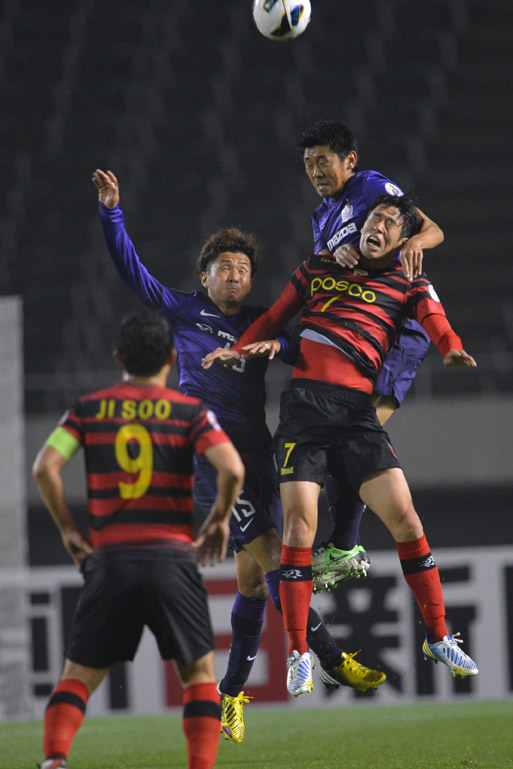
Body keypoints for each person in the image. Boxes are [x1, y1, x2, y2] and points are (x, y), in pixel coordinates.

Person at [92, 168, 386, 744]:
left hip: (258, 452)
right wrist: (111, 214)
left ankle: (229, 695)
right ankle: (327, 655)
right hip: (209, 456)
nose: (236, 275)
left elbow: (306, 347)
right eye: (225, 267)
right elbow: (133, 273)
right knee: (276, 557)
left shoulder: (259, 322)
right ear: (204, 276)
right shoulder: (184, 312)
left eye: (244, 269)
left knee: (253, 583)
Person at [202, 194, 480, 696]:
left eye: (390, 223)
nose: (379, 225)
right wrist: (237, 348)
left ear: (402, 240)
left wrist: (452, 347)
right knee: (298, 528)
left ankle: (438, 636)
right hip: (304, 410)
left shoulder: (409, 281)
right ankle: (299, 653)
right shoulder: (320, 266)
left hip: (356, 415)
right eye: (375, 217)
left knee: (407, 519)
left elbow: (435, 321)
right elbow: (275, 317)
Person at [32, 311, 245, 769]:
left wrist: (69, 530)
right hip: (172, 560)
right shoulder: (190, 412)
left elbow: (45, 467)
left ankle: (55, 759)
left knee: (78, 676)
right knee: (199, 676)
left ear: (119, 358)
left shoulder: (88, 409)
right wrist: (219, 520)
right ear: (170, 358)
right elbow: (232, 468)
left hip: (110, 561)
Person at [297, 119, 445, 593]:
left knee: (353, 435)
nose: (316, 171)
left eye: (323, 161)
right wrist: (338, 259)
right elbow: (328, 278)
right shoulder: (321, 217)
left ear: (350, 161)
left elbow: (433, 230)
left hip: (399, 327)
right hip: (361, 336)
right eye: (308, 163)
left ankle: (345, 546)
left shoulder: (372, 188)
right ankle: (344, 545)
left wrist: (414, 242)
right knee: (346, 441)